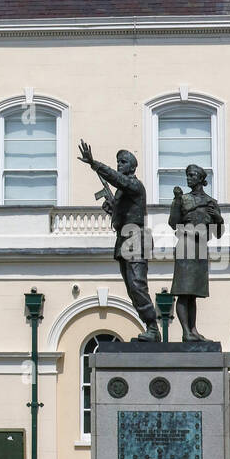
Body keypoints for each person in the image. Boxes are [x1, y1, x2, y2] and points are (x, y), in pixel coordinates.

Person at [78, 140, 161, 342]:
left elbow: (116, 179)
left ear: (132, 167)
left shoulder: (134, 184)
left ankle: (152, 327)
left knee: (137, 285)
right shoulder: (123, 191)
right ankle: (150, 327)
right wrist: (113, 209)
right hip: (124, 239)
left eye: (123, 162)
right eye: (118, 162)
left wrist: (94, 163)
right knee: (131, 289)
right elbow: (122, 214)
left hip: (135, 239)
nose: (119, 165)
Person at [168, 162, 224, 342]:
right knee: (183, 291)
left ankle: (193, 330)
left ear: (201, 178)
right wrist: (176, 201)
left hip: (201, 247)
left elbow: (219, 233)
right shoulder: (183, 199)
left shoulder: (211, 202)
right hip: (186, 244)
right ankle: (186, 332)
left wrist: (217, 217)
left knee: (193, 293)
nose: (188, 178)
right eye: (188, 175)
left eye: (192, 175)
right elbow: (173, 223)